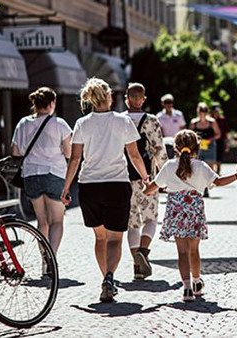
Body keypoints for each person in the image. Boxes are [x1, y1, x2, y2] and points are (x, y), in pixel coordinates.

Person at [61, 78, 149, 303]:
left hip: (89, 187)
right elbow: (134, 155)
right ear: (108, 96)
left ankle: (106, 279)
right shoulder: (122, 121)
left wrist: (66, 187)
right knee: (115, 239)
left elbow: (75, 159)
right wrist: (146, 177)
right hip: (117, 185)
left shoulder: (82, 123)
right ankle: (110, 277)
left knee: (100, 238)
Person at [143, 130, 237, 302]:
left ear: (175, 148)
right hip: (194, 209)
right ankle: (197, 282)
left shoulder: (169, 166)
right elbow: (218, 181)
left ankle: (186, 288)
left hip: (176, 210)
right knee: (194, 250)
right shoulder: (201, 166)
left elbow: (150, 189)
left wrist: (148, 185)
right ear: (197, 147)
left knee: (182, 252)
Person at [12, 87, 72, 260]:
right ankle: (51, 259)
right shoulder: (59, 124)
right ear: (52, 103)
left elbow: (15, 152)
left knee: (42, 221)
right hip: (54, 173)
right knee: (57, 221)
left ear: (35, 104)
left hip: (31, 175)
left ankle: (44, 258)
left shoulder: (23, 123)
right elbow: (69, 153)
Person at [122, 83, 168, 280]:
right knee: (150, 218)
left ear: (126, 99)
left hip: (123, 177)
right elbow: (159, 149)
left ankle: (136, 265)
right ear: (143, 99)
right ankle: (143, 251)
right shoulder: (151, 121)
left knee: (132, 222)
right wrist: (164, 177)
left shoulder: (119, 120)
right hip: (147, 177)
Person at [190, 102, 221, 197]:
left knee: (209, 167)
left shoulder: (212, 122)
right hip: (198, 147)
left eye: (205, 111)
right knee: (196, 167)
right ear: (198, 111)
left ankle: (207, 187)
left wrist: (210, 139)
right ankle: (198, 187)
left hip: (210, 146)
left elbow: (218, 134)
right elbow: (190, 134)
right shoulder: (194, 122)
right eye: (201, 111)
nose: (203, 113)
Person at [156, 93, 186, 159]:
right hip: (165, 142)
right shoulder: (159, 116)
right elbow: (159, 131)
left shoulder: (178, 115)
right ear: (163, 104)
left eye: (170, 102)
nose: (168, 104)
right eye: (166, 102)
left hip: (178, 142)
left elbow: (183, 129)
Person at [211, 103, 229, 174]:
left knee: (219, 158)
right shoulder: (209, 119)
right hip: (211, 141)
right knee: (212, 158)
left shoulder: (222, 119)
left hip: (220, 141)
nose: (216, 112)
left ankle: (218, 172)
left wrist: (227, 143)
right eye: (215, 111)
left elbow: (226, 132)